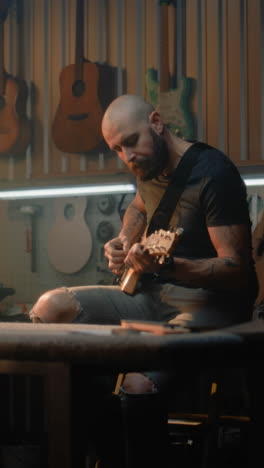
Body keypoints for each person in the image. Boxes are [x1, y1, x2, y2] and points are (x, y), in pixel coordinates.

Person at [29, 94, 258, 467]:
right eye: (117, 149)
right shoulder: (148, 168)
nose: (127, 156)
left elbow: (235, 270)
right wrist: (124, 240)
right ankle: (108, 447)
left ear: (156, 122)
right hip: (151, 294)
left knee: (138, 384)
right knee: (50, 309)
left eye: (131, 142)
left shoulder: (214, 174)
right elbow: (140, 207)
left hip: (210, 303)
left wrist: (168, 267)